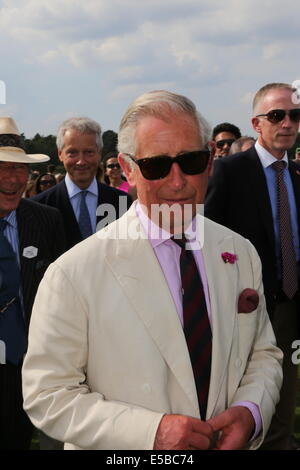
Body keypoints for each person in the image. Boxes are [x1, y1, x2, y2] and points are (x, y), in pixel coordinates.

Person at [22, 91, 282, 450]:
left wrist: (251, 411)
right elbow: (48, 395)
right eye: (156, 166)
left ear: (209, 160)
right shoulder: (74, 272)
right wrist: (150, 434)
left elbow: (263, 353)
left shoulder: (239, 251)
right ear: (127, 168)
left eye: (190, 161)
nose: (177, 182)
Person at [205, 82, 300, 450]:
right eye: (277, 116)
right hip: (240, 308)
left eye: (295, 115)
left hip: (289, 307)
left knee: (282, 401)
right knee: (237, 402)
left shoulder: (295, 176)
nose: (287, 123)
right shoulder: (230, 171)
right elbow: (207, 236)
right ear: (257, 123)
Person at [0, 117, 66, 450]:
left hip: (31, 366)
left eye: (20, 169)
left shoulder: (45, 220)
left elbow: (64, 293)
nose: (13, 179)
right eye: (3, 168)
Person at [32, 117, 132, 250]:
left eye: (88, 152)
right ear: (60, 154)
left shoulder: (122, 202)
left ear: (99, 154)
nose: (81, 161)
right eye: (72, 152)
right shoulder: (39, 206)